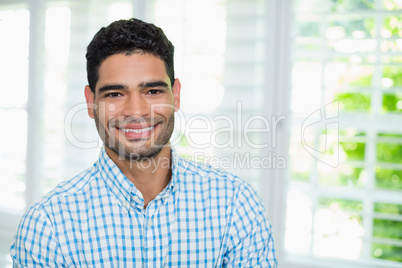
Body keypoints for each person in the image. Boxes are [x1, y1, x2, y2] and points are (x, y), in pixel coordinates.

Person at [10, 18, 277, 267]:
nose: (136, 111)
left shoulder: (235, 205)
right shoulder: (48, 224)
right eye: (115, 93)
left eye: (152, 91)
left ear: (176, 95)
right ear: (91, 103)